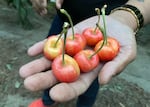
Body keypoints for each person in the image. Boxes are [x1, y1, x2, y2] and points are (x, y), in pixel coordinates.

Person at [19, 0, 150, 107]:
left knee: (92, 76)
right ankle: (47, 102)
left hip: (105, 28)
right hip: (64, 19)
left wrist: (127, 17)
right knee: (51, 66)